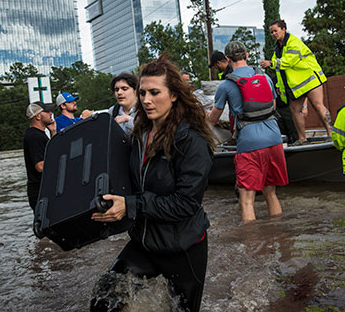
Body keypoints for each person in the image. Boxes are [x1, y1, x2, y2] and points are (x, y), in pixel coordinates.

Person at [91, 54, 215, 312]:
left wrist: (131, 205)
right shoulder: (139, 133)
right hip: (144, 242)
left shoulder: (191, 142)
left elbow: (185, 204)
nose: (146, 100)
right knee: (104, 302)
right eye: (143, 92)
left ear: (173, 95)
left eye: (154, 92)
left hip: (183, 247)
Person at [207, 41, 288, 222]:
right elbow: (272, 107)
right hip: (275, 140)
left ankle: (252, 244)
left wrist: (205, 115)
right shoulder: (265, 78)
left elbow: (213, 119)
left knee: (246, 200)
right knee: (271, 193)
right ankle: (280, 237)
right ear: (247, 55)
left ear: (227, 59)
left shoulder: (226, 86)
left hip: (250, 144)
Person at [260, 19, 332, 145]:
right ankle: (302, 139)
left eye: (275, 31)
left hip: (310, 79)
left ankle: (332, 134)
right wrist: (280, 88)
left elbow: (289, 61)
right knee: (294, 109)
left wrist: (271, 63)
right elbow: (279, 71)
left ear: (283, 29)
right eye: (271, 32)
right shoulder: (277, 48)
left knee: (318, 105)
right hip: (296, 86)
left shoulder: (294, 42)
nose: (273, 34)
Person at [23, 101, 56, 211]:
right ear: (38, 116)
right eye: (47, 111)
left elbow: (53, 153)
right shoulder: (34, 136)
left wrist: (53, 132)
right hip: (40, 192)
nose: (51, 113)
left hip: (44, 190)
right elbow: (40, 166)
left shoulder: (39, 134)